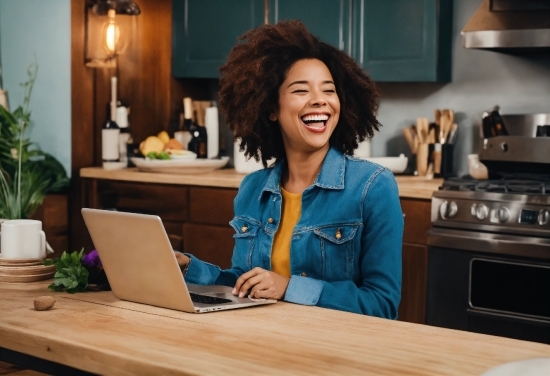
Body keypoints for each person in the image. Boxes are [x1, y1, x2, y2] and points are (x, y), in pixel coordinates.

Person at [175, 20, 403, 318]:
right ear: (270, 108)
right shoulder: (252, 190)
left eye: (329, 90)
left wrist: (289, 287)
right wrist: (189, 267)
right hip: (268, 340)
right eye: (300, 90)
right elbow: (248, 284)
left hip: (336, 350)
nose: (320, 100)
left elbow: (382, 304)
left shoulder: (373, 186)